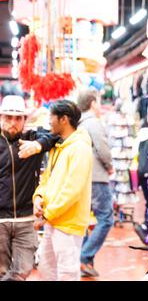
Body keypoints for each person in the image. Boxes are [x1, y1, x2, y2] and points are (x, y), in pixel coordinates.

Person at [33, 100, 93, 281]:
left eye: (52, 116)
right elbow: (48, 178)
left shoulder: (80, 148)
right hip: (54, 219)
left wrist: (47, 215)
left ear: (64, 119)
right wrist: (39, 196)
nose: (49, 121)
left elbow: (72, 189)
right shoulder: (59, 147)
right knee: (46, 268)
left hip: (69, 223)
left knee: (67, 272)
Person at [0, 95, 58, 281]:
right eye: (8, 117)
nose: (13, 123)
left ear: (25, 120)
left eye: (18, 118)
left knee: (22, 270)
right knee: (2, 271)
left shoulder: (32, 138)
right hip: (0, 220)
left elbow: (57, 134)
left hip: (26, 219)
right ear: (1, 118)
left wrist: (38, 145)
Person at [77, 90, 114, 277]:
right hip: (97, 176)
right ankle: (83, 257)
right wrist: (109, 166)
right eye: (98, 102)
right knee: (106, 219)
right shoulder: (93, 123)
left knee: (84, 220)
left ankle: (84, 261)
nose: (100, 106)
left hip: (83, 177)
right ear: (92, 103)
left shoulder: (78, 124)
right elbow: (103, 148)